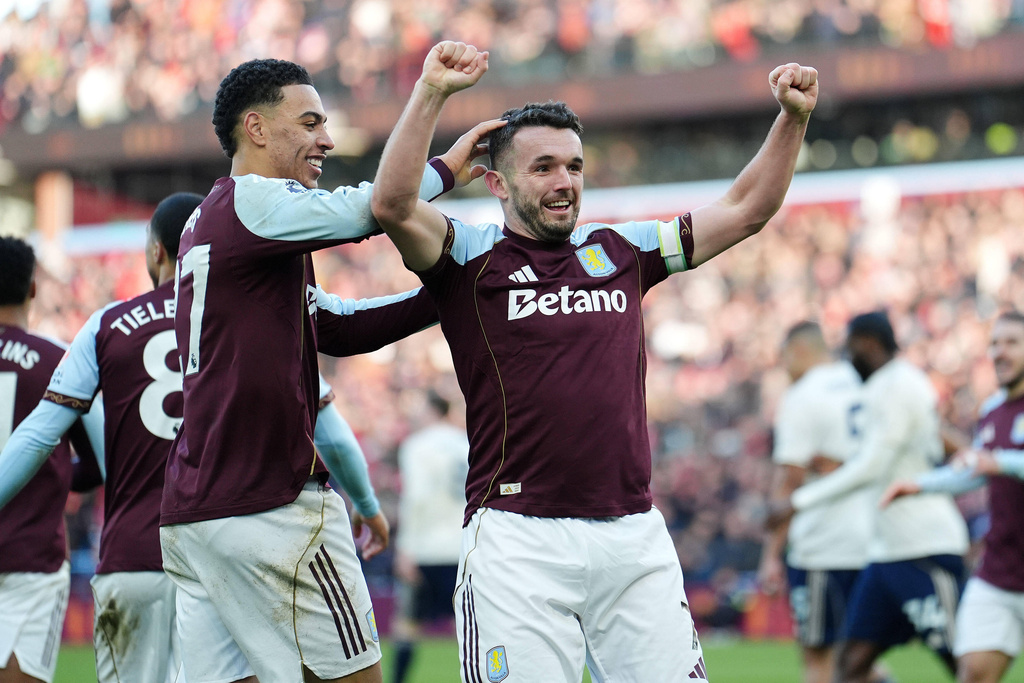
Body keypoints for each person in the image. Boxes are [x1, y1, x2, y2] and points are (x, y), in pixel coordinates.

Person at [370, 39, 817, 682]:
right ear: (496, 182)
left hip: (632, 533)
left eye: (575, 166)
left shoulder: (622, 249)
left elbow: (747, 210)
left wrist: (793, 119)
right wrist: (433, 94)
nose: (565, 182)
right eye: (544, 167)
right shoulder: (468, 256)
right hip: (517, 537)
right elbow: (390, 205)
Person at [160, 56, 485, 683]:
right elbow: (377, 208)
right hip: (271, 507)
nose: (328, 141)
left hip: (196, 513)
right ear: (256, 129)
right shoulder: (257, 202)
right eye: (309, 123)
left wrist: (446, 291)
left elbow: (335, 324)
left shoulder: (219, 219)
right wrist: (442, 165)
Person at [772, 311, 970, 683]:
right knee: (850, 667)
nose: (845, 360)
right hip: (883, 553)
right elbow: (885, 450)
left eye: (849, 350)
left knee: (966, 666)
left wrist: (798, 502)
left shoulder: (901, 385)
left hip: (924, 546)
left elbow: (873, 466)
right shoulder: (878, 386)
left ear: (865, 345)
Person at [882, 310, 1024, 683]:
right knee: (973, 675)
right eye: (995, 343)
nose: (1000, 352)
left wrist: (1000, 461)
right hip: (1000, 572)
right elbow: (974, 468)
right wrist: (921, 484)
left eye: (1012, 343)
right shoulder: (993, 410)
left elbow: (993, 463)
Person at [0, 236, 102, 683]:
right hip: (31, 560)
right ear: (33, 290)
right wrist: (53, 474)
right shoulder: (56, 363)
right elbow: (99, 463)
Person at [758, 321, 871, 683]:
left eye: (784, 358)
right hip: (873, 539)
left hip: (823, 545)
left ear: (799, 351)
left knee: (819, 662)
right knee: (857, 664)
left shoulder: (802, 396)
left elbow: (788, 483)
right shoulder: (863, 381)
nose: (785, 368)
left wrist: (771, 555)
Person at [391, 389, 469, 683]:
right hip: (461, 547)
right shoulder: (464, 442)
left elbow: (415, 498)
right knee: (467, 626)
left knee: (407, 624)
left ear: (431, 410)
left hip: (425, 548)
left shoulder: (416, 445)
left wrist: (405, 548)